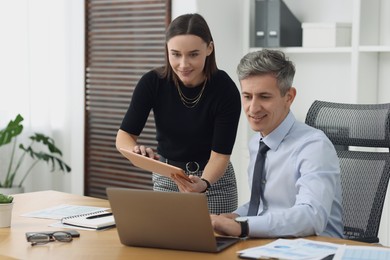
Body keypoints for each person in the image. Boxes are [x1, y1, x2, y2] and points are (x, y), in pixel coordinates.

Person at [210, 49, 344, 238]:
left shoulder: (314, 146)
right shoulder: (257, 142)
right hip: (267, 245)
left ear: (289, 97)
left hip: (315, 249)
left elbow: (311, 216)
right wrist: (235, 217)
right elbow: (266, 206)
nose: (253, 108)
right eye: (247, 96)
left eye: (264, 97)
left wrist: (244, 226)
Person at [116, 13, 241, 214]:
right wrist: (136, 152)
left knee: (216, 243)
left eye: (193, 54)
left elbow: (220, 155)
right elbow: (124, 137)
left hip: (214, 184)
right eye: (176, 54)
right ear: (167, 50)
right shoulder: (151, 83)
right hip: (167, 177)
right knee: (167, 242)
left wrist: (204, 183)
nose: (183, 64)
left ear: (209, 48)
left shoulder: (225, 89)